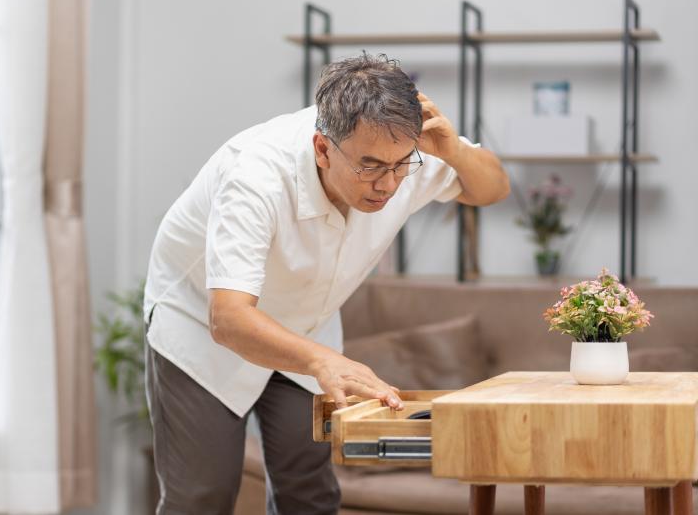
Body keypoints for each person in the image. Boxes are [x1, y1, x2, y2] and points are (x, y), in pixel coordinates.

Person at [142, 52, 509, 514]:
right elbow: (229, 318)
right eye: (371, 167)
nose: (388, 185)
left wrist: (454, 149)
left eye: (400, 166)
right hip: (202, 326)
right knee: (202, 497)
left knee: (310, 495)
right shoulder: (254, 175)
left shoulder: (400, 154)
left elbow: (493, 189)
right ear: (321, 148)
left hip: (306, 327)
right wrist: (324, 363)